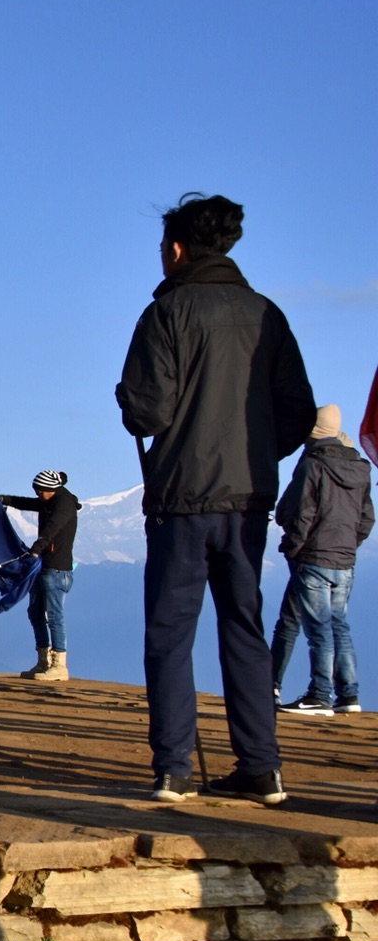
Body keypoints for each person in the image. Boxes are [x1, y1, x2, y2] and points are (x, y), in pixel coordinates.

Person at [118, 194, 314, 805]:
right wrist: (255, 456)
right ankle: (262, 766)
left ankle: (175, 767)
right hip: (249, 498)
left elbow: (149, 411)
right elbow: (298, 413)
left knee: (170, 633)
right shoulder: (266, 315)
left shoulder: (167, 314)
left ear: (176, 250)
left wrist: (127, 400)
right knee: (244, 626)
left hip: (181, 499)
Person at [269, 404, 373, 717]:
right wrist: (348, 546)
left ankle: (319, 695)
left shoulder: (313, 464)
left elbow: (302, 512)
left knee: (317, 629)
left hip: (313, 557)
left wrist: (293, 546)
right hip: (344, 560)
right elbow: (367, 518)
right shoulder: (361, 468)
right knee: (338, 626)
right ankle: (348, 694)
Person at [0, 470, 80, 681]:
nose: (37, 494)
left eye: (39, 490)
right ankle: (43, 661)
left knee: (54, 616)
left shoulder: (64, 505)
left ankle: (59, 666)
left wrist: (36, 549)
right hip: (42, 567)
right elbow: (27, 503)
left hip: (57, 568)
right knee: (35, 612)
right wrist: (4, 499)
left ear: (50, 489)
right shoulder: (49, 501)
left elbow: (52, 529)